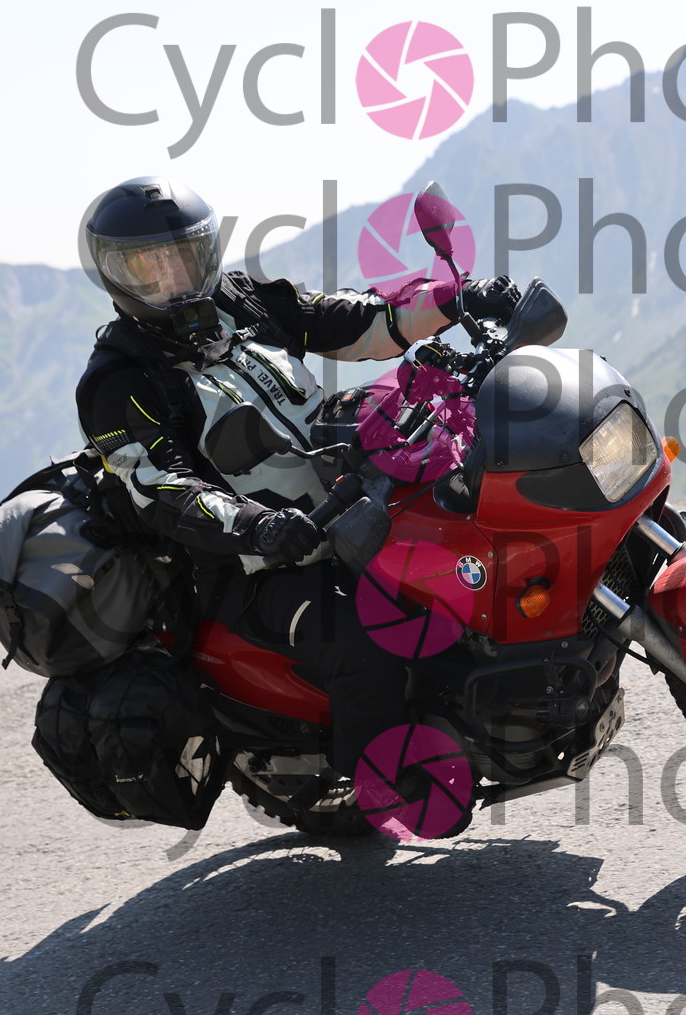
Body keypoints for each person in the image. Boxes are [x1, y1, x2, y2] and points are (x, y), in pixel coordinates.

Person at [73, 175, 517, 804]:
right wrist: (256, 526)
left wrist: (457, 301)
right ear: (117, 276)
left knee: (469, 539)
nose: (174, 276)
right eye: (150, 266)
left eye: (185, 255)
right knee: (363, 637)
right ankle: (382, 784)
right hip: (251, 569)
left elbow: (356, 318)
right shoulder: (118, 381)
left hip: (351, 506)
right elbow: (162, 486)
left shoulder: (242, 302)